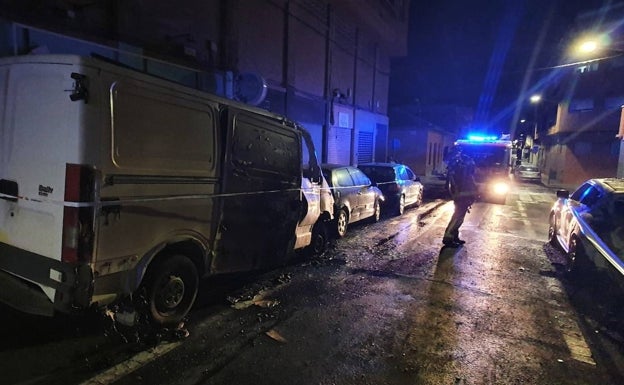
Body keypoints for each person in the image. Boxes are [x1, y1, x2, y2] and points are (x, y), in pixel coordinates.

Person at [442, 149, 478, 247]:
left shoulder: (463, 172)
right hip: (462, 198)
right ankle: (448, 238)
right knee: (457, 218)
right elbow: (460, 186)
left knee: (459, 218)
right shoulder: (463, 172)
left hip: (463, 197)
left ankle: (454, 237)